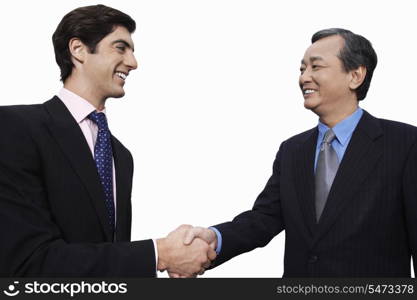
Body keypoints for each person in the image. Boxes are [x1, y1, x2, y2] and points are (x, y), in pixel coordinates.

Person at [0, 4, 215, 277]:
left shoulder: (121, 156)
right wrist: (159, 254)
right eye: (120, 48)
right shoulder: (15, 127)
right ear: (78, 50)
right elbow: (27, 262)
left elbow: (112, 257)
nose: (133, 62)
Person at [182, 28, 417, 277]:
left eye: (316, 67)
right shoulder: (292, 151)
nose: (304, 77)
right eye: (302, 69)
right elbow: (264, 219)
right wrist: (214, 238)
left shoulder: (404, 144)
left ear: (355, 75)